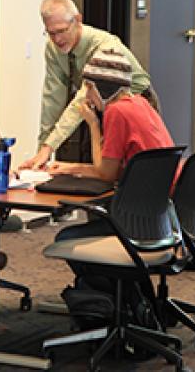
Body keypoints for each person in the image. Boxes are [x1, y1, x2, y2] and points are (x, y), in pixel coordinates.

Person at [48, 48, 177, 277]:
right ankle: (120, 297)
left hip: (136, 223)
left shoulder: (117, 112)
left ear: (103, 88)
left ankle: (105, 299)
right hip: (160, 218)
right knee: (97, 215)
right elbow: (111, 169)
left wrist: (93, 125)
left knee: (66, 239)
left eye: (89, 87)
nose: (87, 96)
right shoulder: (140, 104)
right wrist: (72, 167)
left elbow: (105, 173)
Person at [20, 0, 156, 171]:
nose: (57, 40)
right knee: (92, 165)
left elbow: (83, 97)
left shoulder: (105, 46)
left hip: (133, 103)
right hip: (97, 105)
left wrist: (49, 147)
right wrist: (42, 152)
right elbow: (52, 99)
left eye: (61, 31)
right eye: (51, 33)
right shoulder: (53, 48)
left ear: (77, 20)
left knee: (121, 172)